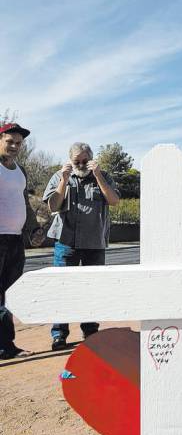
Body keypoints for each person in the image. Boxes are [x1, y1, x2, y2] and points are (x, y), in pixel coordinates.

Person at [43, 142, 120, 351]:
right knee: (62, 289)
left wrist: (99, 176)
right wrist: (64, 180)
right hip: (66, 242)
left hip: (95, 243)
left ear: (92, 159)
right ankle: (59, 334)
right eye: (77, 161)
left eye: (85, 160)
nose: (82, 164)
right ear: (70, 160)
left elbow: (114, 201)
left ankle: (90, 331)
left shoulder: (103, 176)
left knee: (92, 289)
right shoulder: (59, 176)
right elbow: (53, 205)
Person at [0, 122, 44, 360]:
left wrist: (33, 228)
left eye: (19, 143)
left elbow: (24, 203)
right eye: (10, 142)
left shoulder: (21, 171)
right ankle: (5, 347)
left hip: (15, 239)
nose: (15, 146)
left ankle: (7, 345)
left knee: (10, 294)